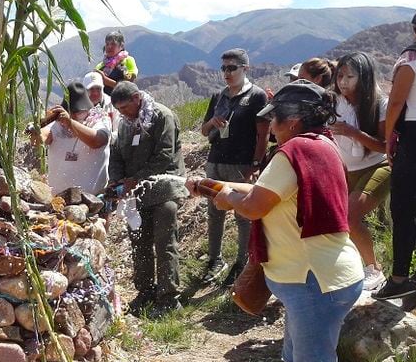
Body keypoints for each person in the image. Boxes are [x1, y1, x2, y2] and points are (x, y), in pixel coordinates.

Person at [187, 80, 363, 362]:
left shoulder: (293, 151)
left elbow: (253, 206)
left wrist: (225, 196)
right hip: (320, 275)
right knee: (298, 360)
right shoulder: (323, 146)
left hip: (314, 279)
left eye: (277, 120)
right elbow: (266, 193)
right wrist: (219, 187)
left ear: (294, 119)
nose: (272, 128)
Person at [108, 82, 187, 315]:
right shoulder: (124, 124)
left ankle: (169, 299)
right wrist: (117, 179)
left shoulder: (162, 117)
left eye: (125, 107)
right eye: (119, 110)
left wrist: (134, 179)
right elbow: (116, 155)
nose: (122, 113)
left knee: (165, 245)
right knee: (139, 244)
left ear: (136, 98)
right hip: (137, 195)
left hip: (164, 189)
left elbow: (164, 156)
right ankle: (146, 292)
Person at [374, 4, 416, 300]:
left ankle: (398, 279)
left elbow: (396, 103)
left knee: (404, 210)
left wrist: (388, 138)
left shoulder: (412, 57)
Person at [198, 48, 270, 285]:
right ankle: (215, 259)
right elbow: (204, 130)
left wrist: (256, 163)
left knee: (243, 214)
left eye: (232, 68)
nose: (227, 73)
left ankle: (243, 263)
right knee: (214, 212)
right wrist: (212, 122)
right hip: (216, 159)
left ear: (245, 69)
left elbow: (263, 134)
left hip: (241, 164)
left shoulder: (257, 96)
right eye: (224, 68)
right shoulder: (219, 96)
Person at [330, 52, 389, 291]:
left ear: (363, 77)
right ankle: (354, 266)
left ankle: (374, 269)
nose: (343, 81)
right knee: (340, 219)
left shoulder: (379, 104)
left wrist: (352, 132)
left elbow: (385, 145)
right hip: (345, 168)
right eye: (340, 75)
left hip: (378, 165)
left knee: (349, 214)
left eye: (350, 76)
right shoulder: (334, 102)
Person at [44, 81, 111, 195]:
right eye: (71, 112)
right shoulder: (59, 123)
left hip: (93, 200)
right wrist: (38, 126)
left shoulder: (100, 121)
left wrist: (70, 123)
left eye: (79, 112)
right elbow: (43, 136)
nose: (74, 116)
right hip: (57, 198)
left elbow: (97, 141)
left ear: (87, 109)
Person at [95, 30, 138, 94]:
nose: (109, 47)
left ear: (121, 46)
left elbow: (129, 86)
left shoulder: (128, 60)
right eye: (107, 44)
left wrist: (105, 80)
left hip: (123, 100)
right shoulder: (100, 66)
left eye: (113, 44)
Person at [83, 71, 119, 138]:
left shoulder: (112, 105)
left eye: (98, 89)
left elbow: (118, 131)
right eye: (91, 89)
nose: (95, 93)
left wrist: (104, 138)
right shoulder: (78, 107)